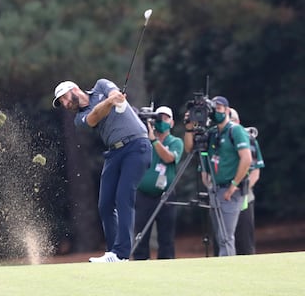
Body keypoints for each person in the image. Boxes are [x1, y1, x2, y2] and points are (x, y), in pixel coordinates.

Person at [52, 79, 152, 262]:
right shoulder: (79, 118)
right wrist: (110, 101)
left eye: (64, 98)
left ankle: (121, 254)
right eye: (62, 103)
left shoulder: (101, 85)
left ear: (74, 89)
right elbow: (95, 117)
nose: (65, 104)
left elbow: (113, 93)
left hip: (137, 145)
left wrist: (115, 97)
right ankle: (114, 252)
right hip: (115, 152)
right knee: (105, 204)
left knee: (123, 197)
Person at [183, 95, 252, 256]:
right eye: (214, 109)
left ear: (227, 110)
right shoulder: (212, 132)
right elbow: (189, 148)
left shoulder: (235, 131)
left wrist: (234, 185)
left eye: (220, 109)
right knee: (220, 236)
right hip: (215, 188)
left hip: (230, 190)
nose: (216, 112)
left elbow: (246, 159)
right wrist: (188, 128)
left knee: (226, 237)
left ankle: (228, 269)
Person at [133, 106, 184, 260]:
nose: (161, 121)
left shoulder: (176, 142)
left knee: (166, 238)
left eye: (165, 118)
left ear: (172, 122)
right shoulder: (143, 140)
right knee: (140, 235)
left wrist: (154, 140)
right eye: (158, 118)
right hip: (143, 196)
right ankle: (141, 265)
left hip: (166, 196)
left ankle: (166, 265)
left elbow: (169, 158)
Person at [229, 107, 265, 255]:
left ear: (237, 122)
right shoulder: (215, 140)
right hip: (220, 197)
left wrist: (238, 188)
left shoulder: (249, 140)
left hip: (244, 197)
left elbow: (255, 172)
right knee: (223, 241)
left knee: (245, 242)